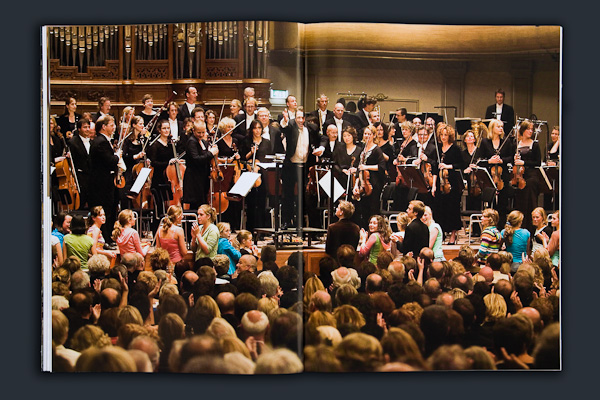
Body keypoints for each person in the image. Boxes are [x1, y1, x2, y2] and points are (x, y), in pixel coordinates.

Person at [279, 105, 324, 229]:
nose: (300, 120)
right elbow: (283, 128)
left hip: (305, 167)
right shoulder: (291, 127)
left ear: (305, 118)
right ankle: (286, 222)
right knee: (288, 195)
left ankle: (301, 223)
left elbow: (323, 138)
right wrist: (285, 120)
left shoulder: (312, 128)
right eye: (298, 117)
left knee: (303, 196)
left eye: (302, 117)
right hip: (291, 166)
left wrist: (321, 148)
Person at [89, 115, 122, 244]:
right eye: (111, 125)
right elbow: (109, 161)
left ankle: (109, 238)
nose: (114, 127)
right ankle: (105, 240)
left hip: (107, 183)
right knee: (106, 212)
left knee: (111, 211)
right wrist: (117, 156)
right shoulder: (101, 142)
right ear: (103, 127)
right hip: (102, 185)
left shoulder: (104, 140)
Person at [480, 118, 514, 229]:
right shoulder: (485, 142)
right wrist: (489, 161)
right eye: (498, 126)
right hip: (489, 175)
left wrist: (501, 160)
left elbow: (511, 158)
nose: (501, 129)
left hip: (502, 175)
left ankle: (501, 228)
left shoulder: (507, 141)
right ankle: (489, 228)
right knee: (490, 203)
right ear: (492, 128)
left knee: (502, 204)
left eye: (501, 127)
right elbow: (480, 159)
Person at [432, 123, 463, 245]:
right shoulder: (438, 149)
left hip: (453, 182)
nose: (443, 137)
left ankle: (453, 234)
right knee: (440, 208)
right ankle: (442, 233)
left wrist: (448, 166)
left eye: (446, 135)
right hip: (440, 182)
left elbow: (461, 164)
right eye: (441, 134)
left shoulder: (455, 149)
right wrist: (434, 185)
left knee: (453, 208)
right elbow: (435, 168)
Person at [352, 125, 386, 229]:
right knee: (362, 209)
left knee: (372, 208)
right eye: (365, 134)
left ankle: (374, 231)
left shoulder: (377, 150)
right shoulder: (363, 150)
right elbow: (358, 168)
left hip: (374, 183)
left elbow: (381, 167)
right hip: (363, 183)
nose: (367, 136)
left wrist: (366, 167)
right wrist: (356, 185)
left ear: (374, 135)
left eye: (369, 134)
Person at [243, 119, 273, 232]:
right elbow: (243, 158)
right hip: (250, 173)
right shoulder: (247, 141)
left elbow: (269, 157)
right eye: (255, 128)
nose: (257, 130)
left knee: (262, 202)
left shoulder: (267, 142)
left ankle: (261, 230)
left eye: (259, 128)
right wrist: (251, 152)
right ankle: (250, 229)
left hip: (263, 174)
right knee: (251, 203)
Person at [512, 119, 542, 231]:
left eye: (532, 129)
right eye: (528, 129)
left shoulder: (535, 144)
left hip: (531, 175)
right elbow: (511, 160)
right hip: (520, 175)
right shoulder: (516, 143)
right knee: (519, 197)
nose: (530, 131)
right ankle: (519, 226)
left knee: (529, 194)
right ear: (523, 130)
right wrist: (514, 159)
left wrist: (523, 162)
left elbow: (537, 162)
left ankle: (531, 227)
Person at [183, 121, 218, 211]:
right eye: (199, 132)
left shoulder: (203, 142)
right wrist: (211, 153)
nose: (201, 134)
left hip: (202, 178)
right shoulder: (191, 142)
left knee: (203, 202)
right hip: (194, 179)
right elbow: (196, 159)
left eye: (203, 132)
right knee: (196, 205)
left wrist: (211, 150)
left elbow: (206, 157)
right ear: (193, 130)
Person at [393, 121, 419, 212]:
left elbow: (414, 158)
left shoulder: (413, 144)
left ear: (411, 131)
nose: (404, 132)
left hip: (407, 173)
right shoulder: (401, 143)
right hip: (400, 172)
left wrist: (404, 159)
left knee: (404, 196)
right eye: (403, 129)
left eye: (406, 130)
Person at [332, 126, 361, 194]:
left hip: (354, 179)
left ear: (353, 136)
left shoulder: (359, 150)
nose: (347, 138)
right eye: (344, 136)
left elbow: (361, 165)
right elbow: (334, 164)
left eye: (349, 135)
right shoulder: (339, 149)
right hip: (341, 178)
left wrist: (356, 169)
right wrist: (342, 170)